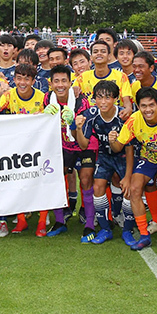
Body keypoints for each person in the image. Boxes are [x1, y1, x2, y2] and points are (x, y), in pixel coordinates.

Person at [111, 87, 157, 251]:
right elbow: (117, 147)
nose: (148, 110)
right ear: (138, 106)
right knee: (135, 188)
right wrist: (112, 140)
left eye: (151, 105)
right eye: (143, 106)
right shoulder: (133, 120)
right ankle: (144, 235)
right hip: (150, 158)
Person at [43, 65, 94, 239]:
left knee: (86, 180)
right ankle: (60, 221)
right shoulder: (47, 98)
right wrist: (43, 116)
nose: (60, 85)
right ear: (50, 84)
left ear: (70, 82)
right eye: (56, 81)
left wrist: (71, 123)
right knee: (56, 178)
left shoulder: (81, 101)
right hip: (61, 147)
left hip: (82, 145)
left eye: (64, 80)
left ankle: (89, 224)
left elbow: (82, 133)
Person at [0, 64, 46, 235]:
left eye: (26, 79)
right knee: (17, 180)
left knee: (40, 182)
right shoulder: (9, 95)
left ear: (33, 81)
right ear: (14, 79)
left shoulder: (42, 97)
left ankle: (41, 222)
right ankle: (21, 220)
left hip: (38, 145)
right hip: (17, 147)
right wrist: (0, 92)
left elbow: (50, 119)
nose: (22, 82)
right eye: (19, 78)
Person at [75, 81, 127, 245]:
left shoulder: (124, 116)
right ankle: (105, 228)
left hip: (124, 156)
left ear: (116, 99)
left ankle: (122, 220)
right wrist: (78, 128)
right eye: (99, 97)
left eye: (108, 98)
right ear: (94, 99)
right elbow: (83, 145)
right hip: (104, 155)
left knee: (125, 185)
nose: (103, 102)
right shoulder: (91, 114)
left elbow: (130, 148)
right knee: (97, 186)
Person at [73, 40, 133, 120]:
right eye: (95, 51)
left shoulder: (121, 76)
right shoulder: (82, 78)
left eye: (103, 51)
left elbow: (126, 100)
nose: (99, 53)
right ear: (91, 57)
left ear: (109, 56)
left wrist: (128, 108)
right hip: (90, 121)